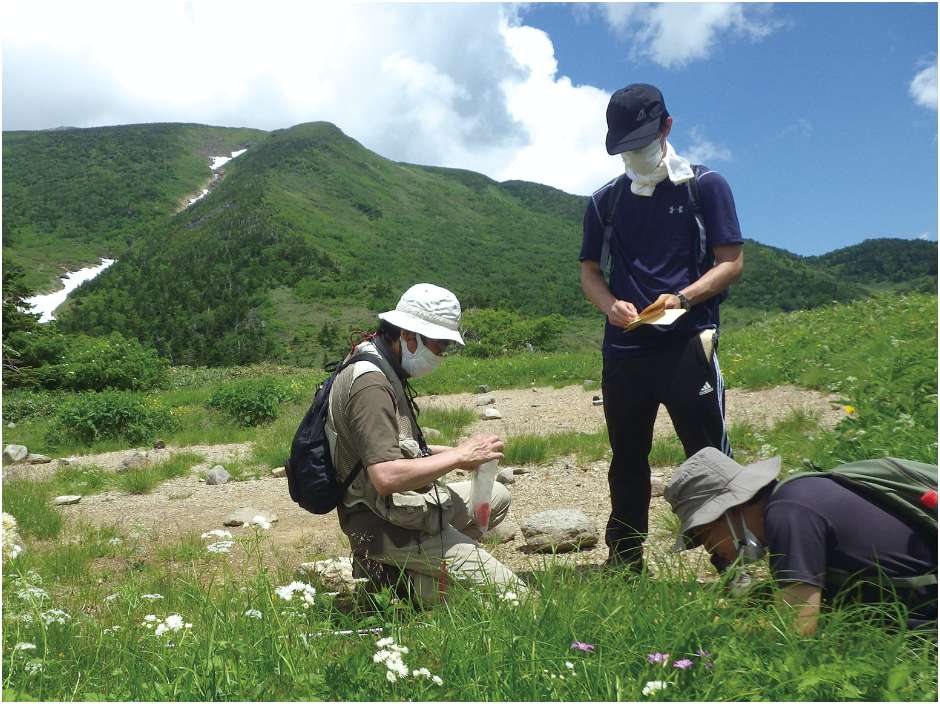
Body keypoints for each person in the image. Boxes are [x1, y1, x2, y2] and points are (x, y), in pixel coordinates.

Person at [579, 83, 744, 571]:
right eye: (626, 146)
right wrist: (610, 305)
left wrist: (685, 296)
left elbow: (731, 262)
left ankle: (731, 562)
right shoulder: (604, 201)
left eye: (643, 142)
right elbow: (589, 271)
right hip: (625, 350)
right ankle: (625, 559)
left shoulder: (704, 185)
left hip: (687, 345)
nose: (635, 154)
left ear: (667, 128)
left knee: (707, 455)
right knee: (627, 457)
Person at [325, 282, 527, 605]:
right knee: (513, 598)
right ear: (408, 335)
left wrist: (460, 457)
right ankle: (400, 582)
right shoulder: (371, 386)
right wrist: (459, 455)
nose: (442, 354)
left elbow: (391, 448)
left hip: (398, 508)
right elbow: (385, 476)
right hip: (384, 524)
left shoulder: (378, 360)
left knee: (495, 497)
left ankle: (422, 569)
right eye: (439, 345)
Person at [665, 447, 938, 635]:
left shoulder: (789, 515)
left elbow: (797, 629)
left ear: (729, 512)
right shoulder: (799, 495)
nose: (716, 554)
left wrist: (714, 630)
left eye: (705, 538)